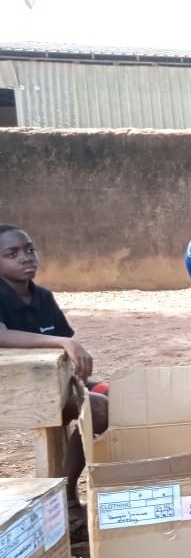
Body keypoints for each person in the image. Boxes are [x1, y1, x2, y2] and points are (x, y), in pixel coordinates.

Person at [0, 224, 109, 541]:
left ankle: (69, 492)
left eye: (30, 249)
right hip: (16, 392)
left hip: (55, 385)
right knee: (98, 409)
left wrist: (66, 348)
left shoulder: (43, 296)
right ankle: (66, 497)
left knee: (112, 399)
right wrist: (65, 343)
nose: (25, 258)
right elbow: (2, 335)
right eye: (12, 253)